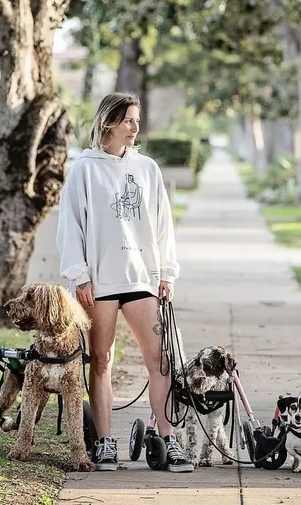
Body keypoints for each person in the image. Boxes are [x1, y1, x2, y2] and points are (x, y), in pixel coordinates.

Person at [56, 91, 193, 473]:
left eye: (137, 119)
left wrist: (167, 272)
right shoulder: (84, 168)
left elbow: (163, 223)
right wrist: (79, 275)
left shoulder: (147, 168)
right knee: (100, 361)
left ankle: (169, 440)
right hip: (98, 282)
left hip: (140, 278)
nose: (135, 127)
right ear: (110, 122)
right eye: (129, 120)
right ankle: (104, 443)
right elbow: (71, 226)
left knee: (160, 361)